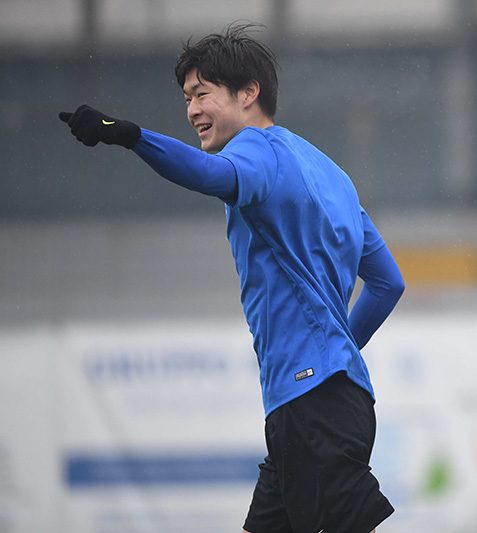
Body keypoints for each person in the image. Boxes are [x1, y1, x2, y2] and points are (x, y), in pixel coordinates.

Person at [59, 23, 404, 533]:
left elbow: (212, 175)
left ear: (248, 93)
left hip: (312, 400)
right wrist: (338, 350)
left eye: (202, 94)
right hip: (325, 397)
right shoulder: (331, 173)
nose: (191, 110)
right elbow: (387, 282)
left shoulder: (254, 151)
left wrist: (130, 135)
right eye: (187, 98)